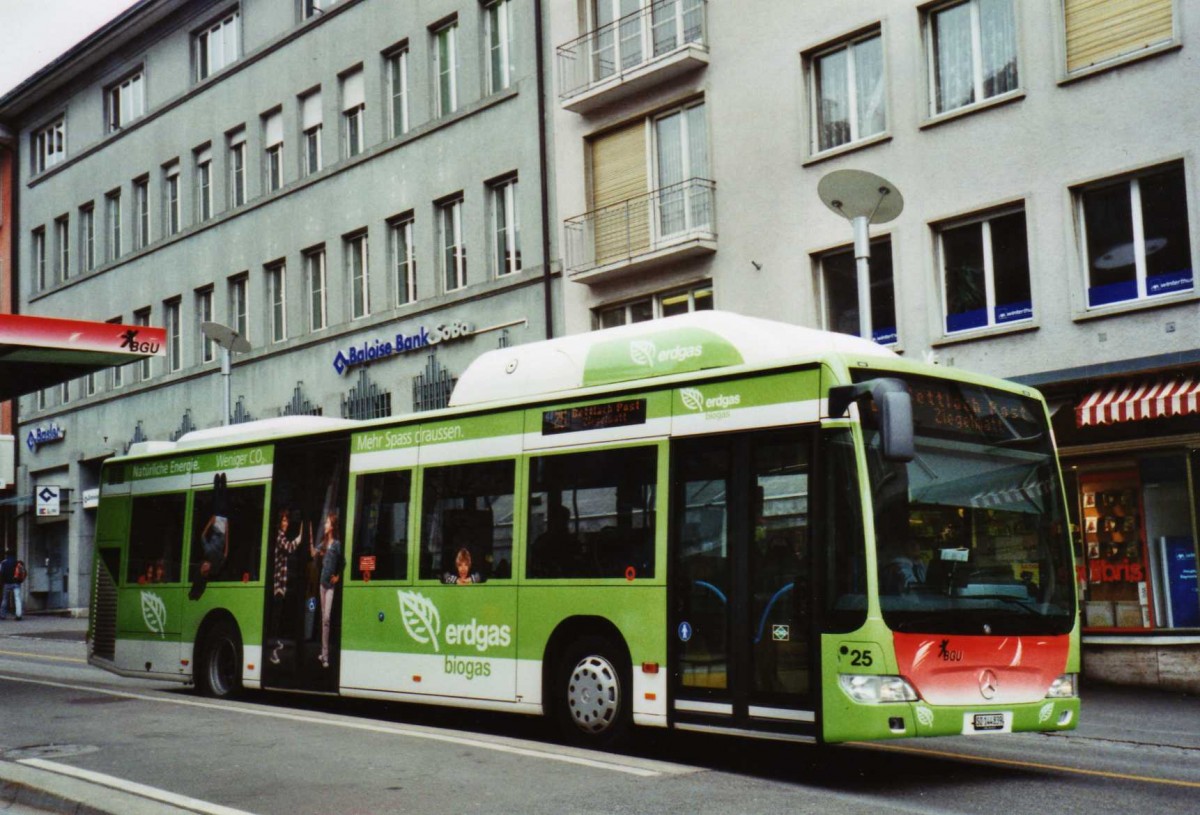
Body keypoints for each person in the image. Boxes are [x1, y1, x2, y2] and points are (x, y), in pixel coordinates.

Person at [267, 509, 304, 666]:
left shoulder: (280, 536)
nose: (286, 523)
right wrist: (300, 538)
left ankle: (275, 644)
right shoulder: (280, 537)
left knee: (278, 616)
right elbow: (289, 548)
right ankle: (272, 651)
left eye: (287, 521)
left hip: (280, 584)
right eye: (283, 521)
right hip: (278, 585)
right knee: (276, 618)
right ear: (279, 523)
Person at [189, 473, 230, 600]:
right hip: (223, 528)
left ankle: (217, 482)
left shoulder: (206, 551)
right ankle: (222, 483)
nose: (205, 566)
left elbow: (202, 536)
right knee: (224, 503)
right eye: (205, 570)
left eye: (202, 567)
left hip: (216, 524)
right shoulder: (216, 564)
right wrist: (227, 530)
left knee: (218, 504)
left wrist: (210, 522)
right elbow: (226, 553)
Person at [314, 510, 344, 668]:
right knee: (323, 619)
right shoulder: (324, 543)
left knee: (327, 618)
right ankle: (323, 653)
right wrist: (309, 539)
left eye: (327, 523)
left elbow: (342, 562)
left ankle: (325, 655)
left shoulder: (337, 545)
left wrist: (337, 577)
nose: (325, 525)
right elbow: (314, 552)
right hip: (322, 583)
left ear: (332, 526)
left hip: (330, 585)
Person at [0, 550, 22, 621]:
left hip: (7, 583)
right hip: (16, 583)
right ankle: (18, 615)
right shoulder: (18, 563)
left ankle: (2, 615)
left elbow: (1, 573)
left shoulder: (3, 563)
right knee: (17, 599)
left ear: (6, 555)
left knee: (5, 599)